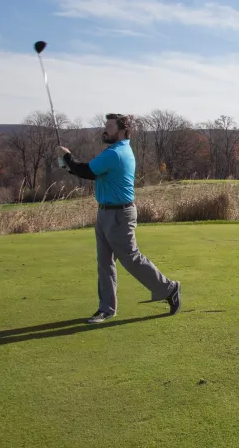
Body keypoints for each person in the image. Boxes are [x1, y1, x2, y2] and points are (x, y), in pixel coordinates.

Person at [58, 113, 181, 323]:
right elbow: (91, 173)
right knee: (104, 263)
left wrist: (68, 157)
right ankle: (106, 308)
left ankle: (169, 288)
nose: (105, 129)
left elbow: (87, 171)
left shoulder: (116, 153)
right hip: (105, 212)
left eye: (109, 126)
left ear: (122, 130)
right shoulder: (114, 151)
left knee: (131, 259)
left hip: (119, 214)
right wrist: (68, 165)